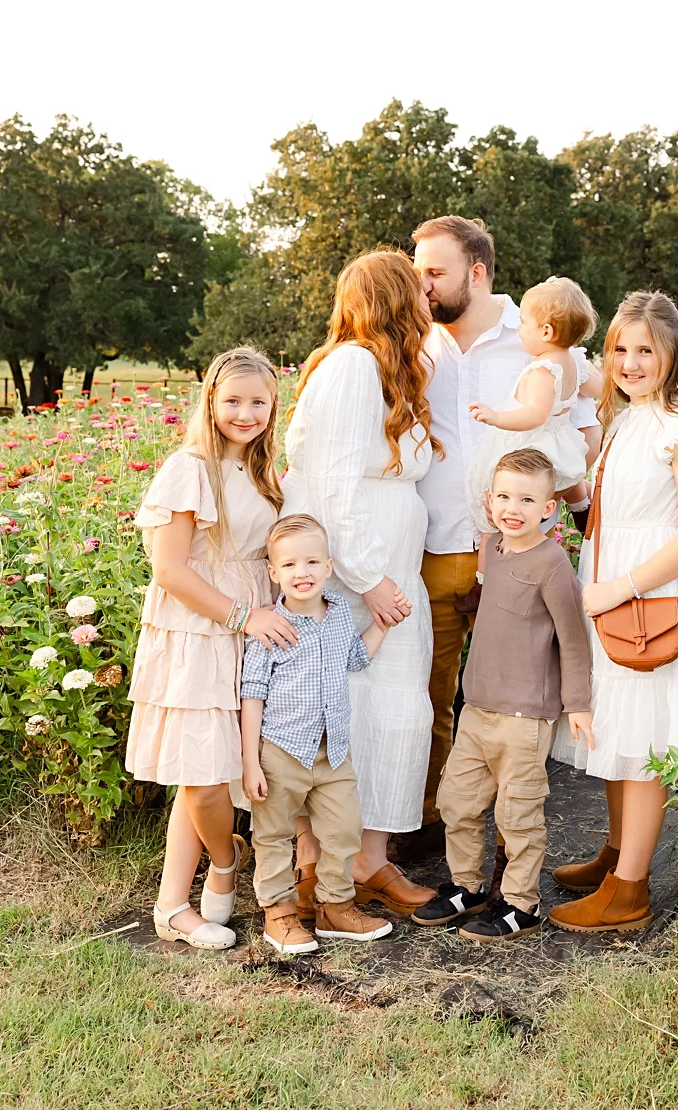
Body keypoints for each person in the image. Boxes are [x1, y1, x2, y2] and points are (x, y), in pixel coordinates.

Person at [410, 217, 602, 860]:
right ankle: (436, 823)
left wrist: (580, 517)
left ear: (478, 271)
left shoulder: (540, 339)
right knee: (432, 693)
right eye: (419, 273)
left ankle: (515, 834)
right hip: (435, 546)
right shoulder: (414, 344)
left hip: (519, 555)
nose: (424, 285)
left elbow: (583, 424)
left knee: (515, 698)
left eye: (435, 272)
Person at [548, 290, 678, 934]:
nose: (629, 361)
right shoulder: (624, 419)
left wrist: (617, 587)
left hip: (649, 596)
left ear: (673, 352)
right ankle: (616, 854)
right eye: (619, 348)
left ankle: (631, 892)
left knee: (646, 737)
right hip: (608, 594)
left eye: (645, 349)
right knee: (617, 727)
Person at [282, 249, 440, 915]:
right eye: (418, 285)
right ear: (395, 299)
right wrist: (369, 579)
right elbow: (335, 489)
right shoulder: (349, 367)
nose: (430, 294)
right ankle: (318, 867)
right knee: (339, 717)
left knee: (396, 718)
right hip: (356, 576)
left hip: (394, 572)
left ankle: (371, 862)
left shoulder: (391, 371)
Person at [128, 348, 298, 951]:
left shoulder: (264, 470)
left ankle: (171, 904)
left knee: (209, 770)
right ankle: (225, 864)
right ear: (210, 402)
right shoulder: (190, 467)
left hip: (255, 626)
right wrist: (242, 616)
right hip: (202, 628)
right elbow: (170, 569)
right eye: (233, 401)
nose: (245, 413)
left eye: (258, 402)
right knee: (201, 777)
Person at [413, 449, 594, 941]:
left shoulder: (552, 562)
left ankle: (520, 902)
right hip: (477, 706)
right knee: (459, 801)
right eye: (505, 496)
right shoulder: (491, 548)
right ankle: (466, 886)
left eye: (527, 499)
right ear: (489, 501)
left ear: (549, 509)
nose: (514, 507)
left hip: (523, 714)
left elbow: (573, 637)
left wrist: (577, 703)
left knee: (517, 812)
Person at [241, 515, 398, 953]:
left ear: (329, 566)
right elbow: (251, 694)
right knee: (272, 834)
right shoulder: (271, 625)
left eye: (311, 561)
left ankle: (334, 907)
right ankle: (280, 914)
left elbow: (355, 659)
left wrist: (381, 627)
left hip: (333, 750)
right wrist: (250, 761)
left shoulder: (339, 614)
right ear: (273, 573)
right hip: (281, 750)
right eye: (289, 565)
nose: (301, 572)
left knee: (344, 829)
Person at [462, 277, 604, 539]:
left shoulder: (543, 370)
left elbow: (534, 415)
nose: (518, 328)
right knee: (562, 480)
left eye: (524, 322)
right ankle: (581, 505)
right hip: (563, 441)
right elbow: (597, 387)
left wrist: (496, 417)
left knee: (495, 505)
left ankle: (487, 571)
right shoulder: (572, 360)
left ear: (547, 332)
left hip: (536, 443)